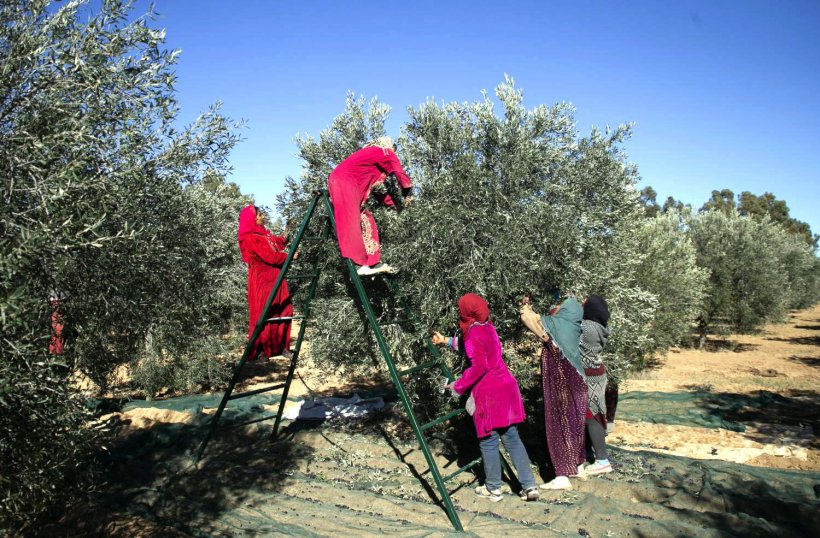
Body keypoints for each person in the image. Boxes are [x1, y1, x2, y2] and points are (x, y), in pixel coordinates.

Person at [432, 293, 540, 502]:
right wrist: (446, 341)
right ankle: (529, 486)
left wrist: (458, 386)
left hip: (489, 394)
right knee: (512, 438)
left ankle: (493, 488)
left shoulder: (472, 333)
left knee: (488, 441)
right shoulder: (487, 327)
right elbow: (473, 348)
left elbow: (478, 365)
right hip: (507, 388)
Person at [520, 295, 586, 490]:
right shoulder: (573, 326)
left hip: (561, 383)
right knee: (575, 422)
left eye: (560, 307)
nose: (556, 309)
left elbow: (529, 320)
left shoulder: (558, 329)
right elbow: (538, 320)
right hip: (578, 381)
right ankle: (578, 466)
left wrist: (524, 305)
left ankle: (562, 475)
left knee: (560, 422)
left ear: (567, 312)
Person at [327, 136, 413, 276]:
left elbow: (379, 192)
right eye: (394, 151)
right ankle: (358, 265)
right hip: (344, 182)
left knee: (367, 219)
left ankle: (372, 261)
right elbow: (398, 170)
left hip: (347, 184)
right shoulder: (383, 151)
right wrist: (407, 191)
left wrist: (396, 207)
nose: (394, 154)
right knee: (350, 220)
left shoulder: (372, 161)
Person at [237, 205, 293, 360]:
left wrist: (288, 229)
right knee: (264, 312)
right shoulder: (250, 238)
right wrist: (289, 256)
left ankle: (280, 346)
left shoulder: (265, 235)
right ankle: (261, 349)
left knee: (284, 311)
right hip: (262, 281)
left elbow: (279, 243)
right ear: (252, 219)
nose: (263, 216)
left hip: (276, 277)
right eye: (260, 214)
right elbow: (270, 257)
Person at [580, 295, 613, 475]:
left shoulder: (587, 328)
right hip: (598, 373)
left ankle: (602, 460)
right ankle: (589, 453)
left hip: (589, 376)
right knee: (596, 412)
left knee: (591, 415)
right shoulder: (601, 327)